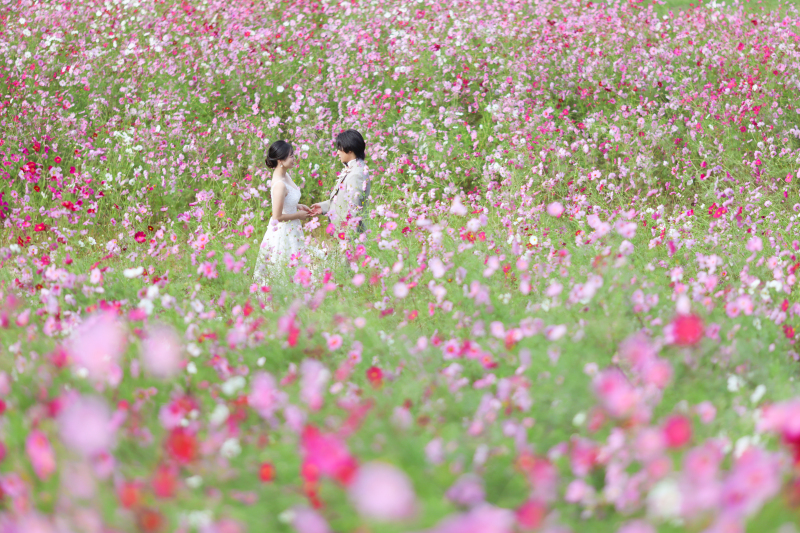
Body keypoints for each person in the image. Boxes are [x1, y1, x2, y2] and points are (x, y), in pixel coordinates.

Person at [253, 140, 323, 285]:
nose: (294, 159)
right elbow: (277, 217)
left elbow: (286, 200)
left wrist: (298, 205)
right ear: (280, 160)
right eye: (291, 156)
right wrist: (298, 215)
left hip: (292, 228)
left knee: (296, 268)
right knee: (283, 270)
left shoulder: (286, 175)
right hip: (283, 232)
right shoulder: (279, 184)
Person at [310, 129, 371, 238]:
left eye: (340, 149)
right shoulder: (354, 168)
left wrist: (348, 241)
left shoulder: (356, 174)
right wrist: (323, 207)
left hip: (351, 238)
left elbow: (354, 210)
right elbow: (343, 200)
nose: (337, 152)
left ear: (350, 149)